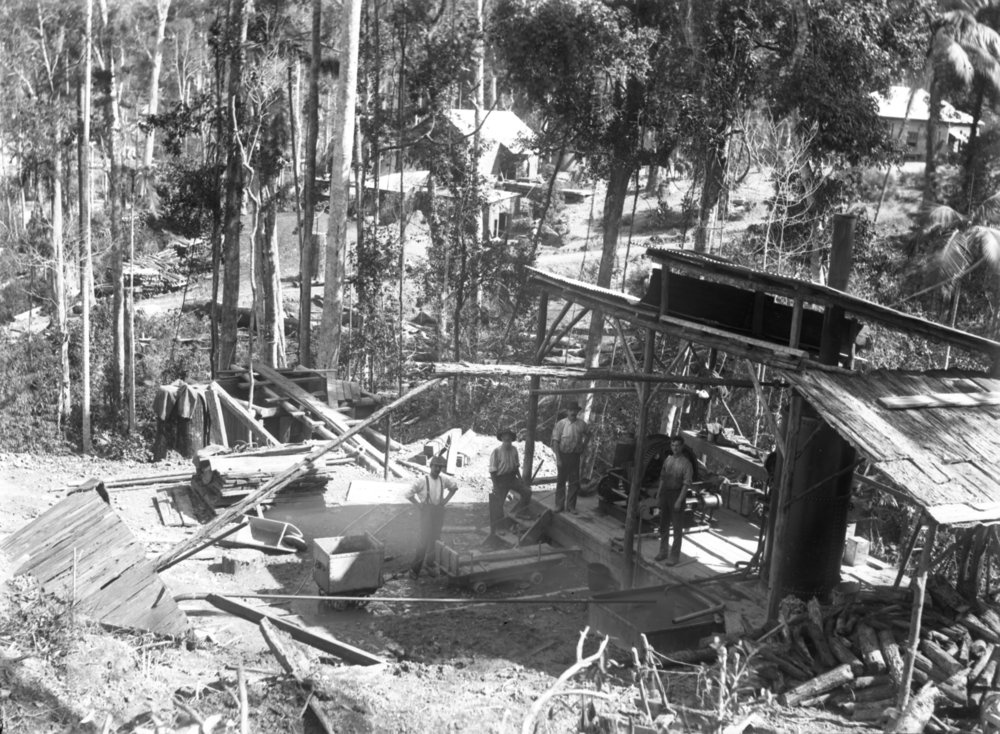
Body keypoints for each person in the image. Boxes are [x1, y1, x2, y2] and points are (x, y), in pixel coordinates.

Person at [405, 455, 459, 577]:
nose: (438, 469)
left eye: (440, 467)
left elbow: (454, 487)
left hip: (438, 512)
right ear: (430, 466)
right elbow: (408, 494)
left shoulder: (443, 479)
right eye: (436, 466)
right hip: (427, 512)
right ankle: (414, 570)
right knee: (423, 541)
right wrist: (419, 505)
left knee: (435, 539)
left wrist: (445, 501)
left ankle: (430, 564)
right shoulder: (422, 480)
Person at [655, 435, 694, 565]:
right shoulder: (668, 460)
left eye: (677, 445)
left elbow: (686, 484)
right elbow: (662, 477)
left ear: (682, 447)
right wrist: (659, 493)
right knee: (663, 525)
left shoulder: (686, 464)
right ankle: (663, 551)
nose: (675, 448)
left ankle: (674, 557)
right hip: (666, 493)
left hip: (677, 495)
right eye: (673, 445)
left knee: (677, 529)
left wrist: (679, 500)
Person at [488, 429, 532, 535]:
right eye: (505, 440)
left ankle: (520, 513)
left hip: (512, 478)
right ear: (502, 439)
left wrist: (520, 479)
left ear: (512, 440)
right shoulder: (496, 451)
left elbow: (516, 466)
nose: (508, 442)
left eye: (510, 440)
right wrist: (495, 485)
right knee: (498, 504)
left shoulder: (514, 450)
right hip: (500, 479)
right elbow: (492, 470)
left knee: (527, 492)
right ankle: (500, 527)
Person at [551, 402, 590, 514]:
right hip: (563, 456)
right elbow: (555, 441)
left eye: (575, 410)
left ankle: (571, 506)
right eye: (570, 410)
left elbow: (588, 434)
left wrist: (584, 445)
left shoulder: (582, 424)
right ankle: (559, 505)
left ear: (578, 412)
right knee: (561, 481)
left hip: (575, 457)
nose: (573, 412)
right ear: (567, 411)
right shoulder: (561, 424)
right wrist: (558, 459)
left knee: (574, 482)